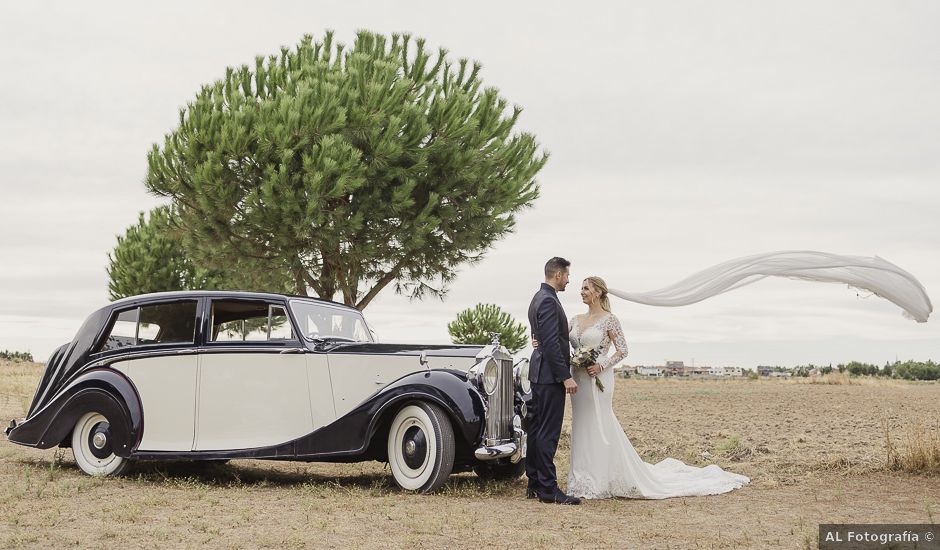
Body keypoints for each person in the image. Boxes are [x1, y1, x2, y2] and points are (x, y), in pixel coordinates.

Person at [536, 276, 750, 499]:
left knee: (600, 423)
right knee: (582, 425)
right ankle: (581, 478)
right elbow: (559, 340)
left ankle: (601, 478)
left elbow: (622, 350)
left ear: (598, 292)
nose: (581, 291)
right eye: (580, 288)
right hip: (578, 378)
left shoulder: (610, 320)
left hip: (599, 379)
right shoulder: (575, 319)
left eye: (586, 288)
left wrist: (601, 365)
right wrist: (539, 341)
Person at [525, 257, 581, 505]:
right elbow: (549, 342)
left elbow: (539, 336)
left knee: (537, 431)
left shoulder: (538, 297)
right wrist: (565, 376)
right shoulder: (548, 300)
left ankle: (535, 483)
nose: (569, 280)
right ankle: (548, 490)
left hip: (539, 374)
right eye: (567, 275)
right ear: (557, 275)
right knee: (547, 433)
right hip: (549, 377)